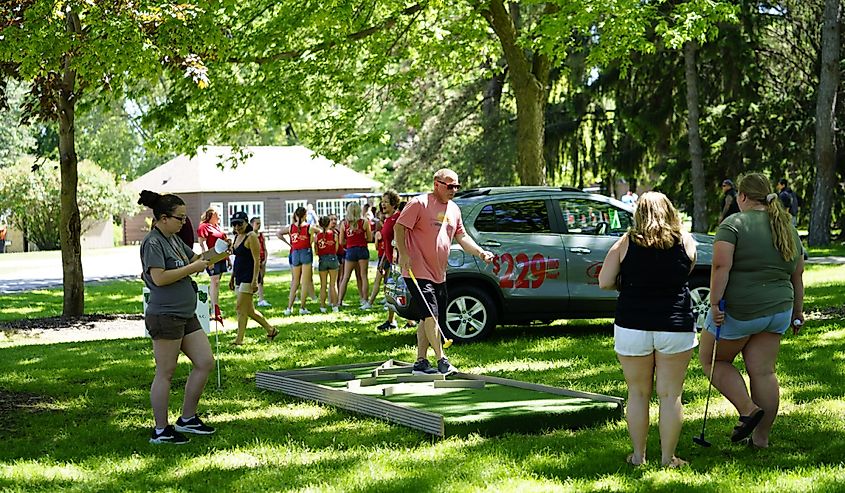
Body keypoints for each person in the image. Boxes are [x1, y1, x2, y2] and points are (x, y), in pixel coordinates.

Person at [701, 173, 804, 449]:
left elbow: (720, 267)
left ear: (742, 196)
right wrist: (798, 312)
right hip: (779, 310)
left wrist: (714, 303)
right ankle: (761, 440)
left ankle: (748, 409)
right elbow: (797, 276)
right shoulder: (786, 226)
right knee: (763, 372)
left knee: (713, 361)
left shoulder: (732, 224)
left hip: (742, 310)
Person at [598, 191, 698, 468]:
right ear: (670, 211)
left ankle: (639, 456)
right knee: (670, 394)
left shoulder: (625, 243)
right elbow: (686, 270)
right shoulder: (685, 240)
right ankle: (668, 458)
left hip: (633, 324)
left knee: (638, 393)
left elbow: (604, 281)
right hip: (675, 324)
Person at [394, 169, 494, 375]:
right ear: (436, 184)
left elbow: (462, 237)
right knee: (432, 315)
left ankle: (420, 362)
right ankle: (442, 360)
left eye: (457, 186)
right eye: (450, 186)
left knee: (426, 317)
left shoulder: (454, 209)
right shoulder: (419, 203)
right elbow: (399, 227)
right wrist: (403, 254)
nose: (454, 190)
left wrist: (481, 253)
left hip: (439, 272)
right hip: (416, 270)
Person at [138, 190, 216, 445]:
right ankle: (161, 430)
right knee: (166, 372)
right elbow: (159, 278)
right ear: (163, 218)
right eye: (180, 218)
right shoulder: (153, 242)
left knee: (205, 362)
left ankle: (188, 418)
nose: (184, 223)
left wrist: (215, 256)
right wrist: (193, 268)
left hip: (186, 313)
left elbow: (194, 258)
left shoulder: (172, 238)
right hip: (165, 315)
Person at [228, 211, 277, 345]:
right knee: (249, 310)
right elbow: (237, 258)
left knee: (240, 308)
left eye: (240, 224)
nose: (237, 227)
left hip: (249, 277)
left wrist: (255, 280)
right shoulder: (237, 236)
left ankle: (239, 340)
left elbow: (257, 260)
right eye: (234, 224)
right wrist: (232, 277)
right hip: (239, 275)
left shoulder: (251, 237)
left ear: (246, 222)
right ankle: (271, 330)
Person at [372, 191, 402, 330]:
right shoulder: (387, 219)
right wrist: (383, 261)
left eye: (386, 201)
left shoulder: (398, 218)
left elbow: (399, 240)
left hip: (400, 261)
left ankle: (409, 321)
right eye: (382, 201)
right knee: (391, 290)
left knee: (398, 290)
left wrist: (396, 255)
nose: (383, 204)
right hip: (390, 260)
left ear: (394, 204)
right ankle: (391, 321)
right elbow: (386, 243)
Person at [278, 206, 314, 315]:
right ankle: (302, 307)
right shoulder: (309, 227)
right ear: (304, 216)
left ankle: (289, 308)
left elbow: (279, 233)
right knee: (305, 281)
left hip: (295, 253)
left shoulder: (290, 228)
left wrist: (290, 244)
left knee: (295, 281)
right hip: (305, 252)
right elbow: (311, 240)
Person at [337, 202, 373, 309]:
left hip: (350, 250)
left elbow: (341, 241)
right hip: (362, 249)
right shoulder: (365, 222)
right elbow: (370, 239)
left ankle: (339, 302)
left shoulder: (344, 224)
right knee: (363, 276)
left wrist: (350, 240)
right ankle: (365, 300)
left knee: (346, 277)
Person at [197, 208, 229, 315]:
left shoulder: (218, 227)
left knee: (217, 282)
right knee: (215, 281)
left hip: (221, 257)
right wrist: (209, 260)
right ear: (211, 215)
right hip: (212, 257)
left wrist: (228, 258)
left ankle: (215, 306)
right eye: (217, 215)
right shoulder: (204, 227)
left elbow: (224, 243)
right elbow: (202, 244)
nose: (219, 216)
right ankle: (214, 309)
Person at [313, 215, 340, 313]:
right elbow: (336, 248)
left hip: (322, 260)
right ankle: (335, 306)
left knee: (323, 285)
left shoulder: (317, 236)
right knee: (333, 285)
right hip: (332, 258)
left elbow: (316, 250)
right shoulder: (334, 234)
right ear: (329, 223)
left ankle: (322, 306)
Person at [250, 217, 271, 307]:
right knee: (254, 279)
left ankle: (261, 298)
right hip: (254, 261)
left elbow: (265, 248)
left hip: (262, 260)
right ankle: (253, 298)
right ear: (252, 224)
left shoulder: (261, 236)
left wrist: (265, 260)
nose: (259, 225)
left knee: (261, 279)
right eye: (257, 223)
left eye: (260, 223)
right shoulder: (250, 236)